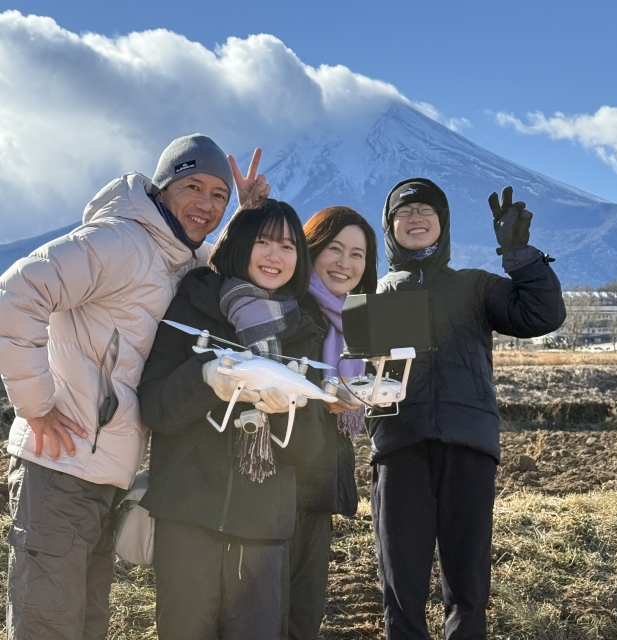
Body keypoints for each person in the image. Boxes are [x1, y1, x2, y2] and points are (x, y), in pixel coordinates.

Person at [0, 133, 269, 640]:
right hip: (57, 465)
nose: (206, 204)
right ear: (163, 187)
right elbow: (17, 290)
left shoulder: (175, 256)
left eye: (219, 195)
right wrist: (35, 404)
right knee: (48, 624)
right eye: (193, 186)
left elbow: (218, 263)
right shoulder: (119, 241)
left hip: (105, 473)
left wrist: (249, 213)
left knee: (86, 623)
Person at [369, 180, 566, 639]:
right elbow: (358, 374)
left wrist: (519, 254)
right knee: (402, 585)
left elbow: (542, 315)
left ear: (443, 224)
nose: (415, 218)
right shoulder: (374, 295)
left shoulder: (475, 286)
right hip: (399, 448)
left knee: (468, 585)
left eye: (426, 210)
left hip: (469, 445)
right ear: (390, 226)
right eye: (404, 212)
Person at [137, 198, 326, 640]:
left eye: (287, 246)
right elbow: (156, 407)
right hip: (187, 517)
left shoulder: (301, 329)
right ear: (241, 246)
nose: (275, 256)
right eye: (263, 242)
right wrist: (204, 379)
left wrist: (284, 414)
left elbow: (310, 450)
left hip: (263, 530)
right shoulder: (194, 304)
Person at [281, 206, 378, 639]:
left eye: (357, 254)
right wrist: (322, 400)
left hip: (320, 482)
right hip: (281, 479)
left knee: (306, 607)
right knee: (273, 606)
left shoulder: (358, 321)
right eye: (334, 249)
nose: (345, 263)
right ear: (311, 249)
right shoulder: (288, 306)